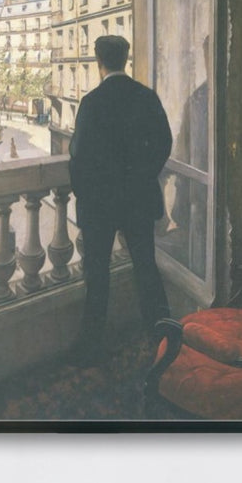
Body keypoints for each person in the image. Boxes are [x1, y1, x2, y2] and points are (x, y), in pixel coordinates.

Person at [67, 34, 174, 365]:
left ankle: (91, 348)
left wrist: (88, 195)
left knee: (98, 276)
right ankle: (165, 341)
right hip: (138, 199)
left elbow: (78, 156)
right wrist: (143, 175)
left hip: (101, 204)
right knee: (146, 271)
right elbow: (164, 142)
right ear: (126, 59)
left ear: (99, 61)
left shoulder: (92, 102)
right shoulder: (145, 96)